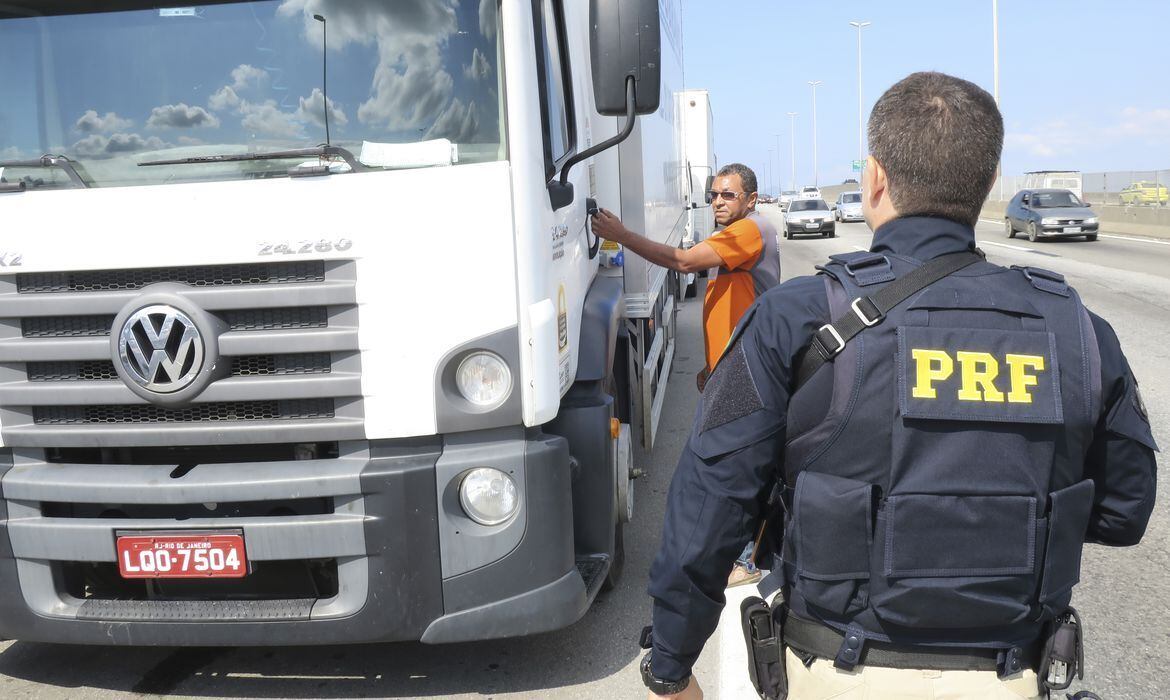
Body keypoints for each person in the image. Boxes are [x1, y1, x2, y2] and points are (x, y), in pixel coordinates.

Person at [639, 72, 1157, 700]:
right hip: (1012, 671)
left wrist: (669, 665)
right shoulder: (1075, 329)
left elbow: (710, 506)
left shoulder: (800, 318)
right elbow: (1123, 514)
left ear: (875, 179)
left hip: (837, 670)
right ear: (989, 183)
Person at [590, 163, 780, 392]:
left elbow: (684, 262)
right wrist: (712, 364)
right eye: (714, 195)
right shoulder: (739, 231)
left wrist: (622, 236)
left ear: (752, 199)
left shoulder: (749, 230)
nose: (718, 202)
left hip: (745, 368)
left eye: (728, 195)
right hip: (733, 366)